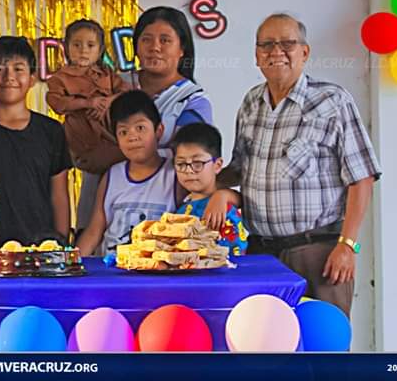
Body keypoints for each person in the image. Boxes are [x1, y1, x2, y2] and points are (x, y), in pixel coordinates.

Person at [206, 13, 380, 315]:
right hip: (261, 255)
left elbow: (361, 177)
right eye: (267, 45)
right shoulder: (250, 103)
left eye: (287, 44)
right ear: (256, 55)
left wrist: (347, 245)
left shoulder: (331, 101)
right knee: (265, 347)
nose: (276, 52)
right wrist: (214, 185)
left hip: (319, 253)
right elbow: (240, 171)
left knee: (323, 350)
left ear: (305, 52)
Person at [0, 36, 72, 246]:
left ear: (32, 78)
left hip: (41, 250)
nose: (9, 77)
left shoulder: (51, 130)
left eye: (18, 69)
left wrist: (61, 244)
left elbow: (59, 194)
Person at [45, 19, 125, 234]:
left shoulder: (107, 74)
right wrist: (87, 103)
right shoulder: (61, 78)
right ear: (66, 47)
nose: (83, 51)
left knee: (115, 179)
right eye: (76, 44)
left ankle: (112, 229)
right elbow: (56, 103)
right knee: (92, 180)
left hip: (110, 135)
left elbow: (126, 93)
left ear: (99, 50)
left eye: (90, 45)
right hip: (83, 138)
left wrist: (108, 102)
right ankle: (83, 232)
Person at [76, 90, 177, 256]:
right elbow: (94, 232)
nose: (132, 137)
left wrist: (223, 196)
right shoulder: (112, 175)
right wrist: (74, 265)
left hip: (157, 274)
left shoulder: (173, 174)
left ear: (159, 131)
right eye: (123, 132)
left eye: (140, 128)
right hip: (112, 274)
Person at [125, 6, 214, 153]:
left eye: (165, 40)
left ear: (182, 48)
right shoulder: (114, 84)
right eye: (146, 40)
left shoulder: (193, 100)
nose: (155, 47)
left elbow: (188, 155)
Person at [172, 123, 248, 256]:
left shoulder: (224, 211)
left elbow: (234, 260)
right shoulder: (182, 209)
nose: (188, 171)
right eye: (181, 164)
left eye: (197, 163)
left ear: (217, 165)